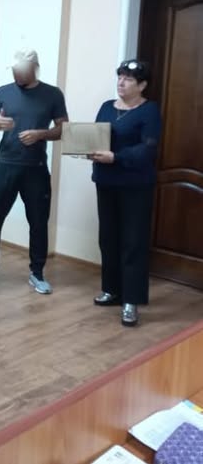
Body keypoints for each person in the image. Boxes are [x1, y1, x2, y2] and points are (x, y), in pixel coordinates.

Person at [0, 48, 68, 293]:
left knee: (38, 222)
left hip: (35, 169)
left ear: (35, 68)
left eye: (22, 70)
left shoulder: (52, 94)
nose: (17, 74)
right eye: (15, 70)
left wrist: (41, 134)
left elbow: (63, 129)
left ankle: (37, 273)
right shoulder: (3, 92)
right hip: (5, 165)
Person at [90, 59, 161, 327]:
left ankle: (131, 300)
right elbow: (95, 136)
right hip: (105, 181)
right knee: (108, 238)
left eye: (128, 79)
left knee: (133, 242)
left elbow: (148, 148)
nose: (121, 82)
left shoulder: (149, 110)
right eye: (120, 77)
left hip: (135, 185)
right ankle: (111, 290)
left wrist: (116, 157)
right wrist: (87, 148)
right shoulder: (107, 107)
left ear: (142, 85)